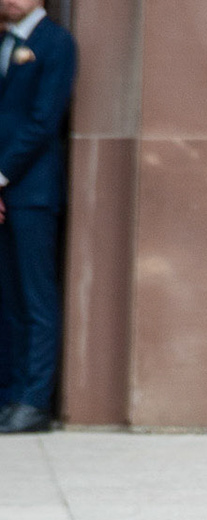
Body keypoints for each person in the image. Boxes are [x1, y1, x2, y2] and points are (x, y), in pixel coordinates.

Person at [0, 0, 75, 436]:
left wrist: (2, 175)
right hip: (8, 190)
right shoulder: (7, 41)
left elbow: (43, 120)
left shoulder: (55, 42)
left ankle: (33, 401)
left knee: (36, 299)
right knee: (10, 299)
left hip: (32, 192)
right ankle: (11, 394)